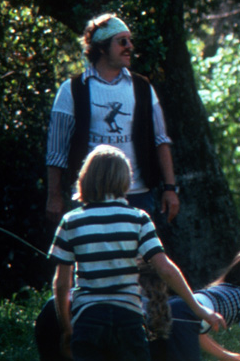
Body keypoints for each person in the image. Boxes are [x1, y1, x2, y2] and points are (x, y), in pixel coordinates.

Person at [48, 145, 224, 361]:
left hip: (88, 319)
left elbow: (61, 283)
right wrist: (198, 308)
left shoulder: (71, 221)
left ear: (85, 178)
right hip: (128, 318)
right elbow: (165, 269)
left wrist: (67, 328)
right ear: (125, 180)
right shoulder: (138, 218)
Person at [46, 13, 179, 227]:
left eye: (130, 40)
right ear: (101, 47)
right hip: (89, 196)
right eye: (122, 41)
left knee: (138, 259)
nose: (130, 46)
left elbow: (161, 140)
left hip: (138, 195)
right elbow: (56, 151)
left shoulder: (142, 87)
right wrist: (53, 196)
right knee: (93, 258)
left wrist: (170, 188)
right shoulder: (72, 90)